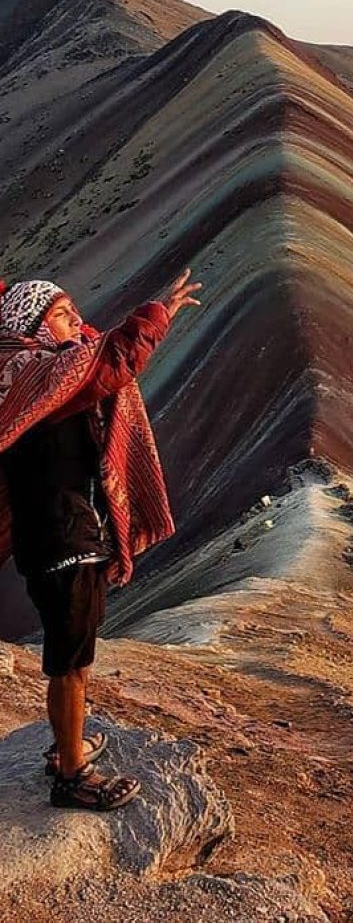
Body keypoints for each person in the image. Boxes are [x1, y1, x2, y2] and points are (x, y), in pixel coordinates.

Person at [0, 268, 202, 810]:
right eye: (63, 314)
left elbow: (93, 355)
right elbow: (107, 362)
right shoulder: (37, 374)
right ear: (35, 325)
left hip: (61, 538)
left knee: (77, 657)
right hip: (62, 542)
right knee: (68, 663)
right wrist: (156, 315)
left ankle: (66, 745)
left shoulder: (21, 373)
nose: (77, 322)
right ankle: (71, 775)